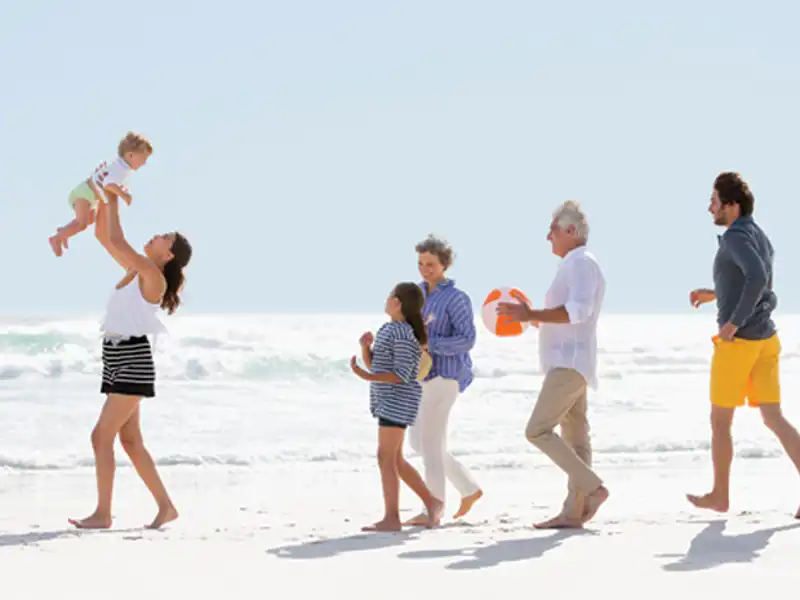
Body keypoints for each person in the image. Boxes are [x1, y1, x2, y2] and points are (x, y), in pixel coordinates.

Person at [68, 194, 192, 530]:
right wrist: (102, 199)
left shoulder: (153, 276)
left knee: (101, 436)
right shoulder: (132, 270)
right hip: (116, 357)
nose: (155, 235)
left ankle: (103, 514)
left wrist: (111, 193)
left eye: (164, 237)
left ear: (168, 255)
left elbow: (117, 239)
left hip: (132, 359)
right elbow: (103, 236)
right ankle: (166, 507)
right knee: (130, 441)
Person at [687, 172, 800, 519]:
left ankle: (720, 495)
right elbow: (754, 282)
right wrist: (715, 293)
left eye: (714, 201)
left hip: (740, 342)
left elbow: (757, 278)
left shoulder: (735, 237)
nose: (710, 208)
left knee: (720, 421)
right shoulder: (757, 234)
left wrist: (732, 322)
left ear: (732, 205)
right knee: (773, 417)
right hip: (766, 338)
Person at [497, 200, 609, 529]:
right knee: (576, 438)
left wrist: (530, 314)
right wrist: (532, 319)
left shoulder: (581, 263)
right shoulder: (575, 264)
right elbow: (568, 318)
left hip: (569, 362)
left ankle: (593, 488)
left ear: (571, 232)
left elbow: (579, 312)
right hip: (571, 360)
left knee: (537, 430)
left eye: (553, 230)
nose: (548, 237)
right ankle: (573, 513)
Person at [350, 282, 444, 531]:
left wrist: (367, 377)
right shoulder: (389, 329)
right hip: (388, 400)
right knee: (395, 459)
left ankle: (392, 518)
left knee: (386, 457)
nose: (387, 299)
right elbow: (379, 367)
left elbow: (402, 374)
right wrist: (365, 349)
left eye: (390, 296)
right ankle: (432, 502)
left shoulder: (401, 332)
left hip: (398, 400)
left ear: (398, 303)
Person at [405, 235, 483, 526]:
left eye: (431, 264)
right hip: (420, 378)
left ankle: (433, 510)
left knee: (430, 443)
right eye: (421, 263)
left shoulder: (457, 298)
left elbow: (467, 339)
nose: (425, 269)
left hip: (447, 376)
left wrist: (430, 343)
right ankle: (468, 488)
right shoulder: (416, 296)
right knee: (419, 442)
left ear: (445, 265)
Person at [49, 131, 152, 257]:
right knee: (81, 223)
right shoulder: (121, 170)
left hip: (88, 195)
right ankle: (57, 238)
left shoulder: (120, 167)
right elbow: (108, 184)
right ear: (130, 155)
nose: (144, 163)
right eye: (143, 159)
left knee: (89, 220)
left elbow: (116, 183)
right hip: (85, 194)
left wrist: (123, 191)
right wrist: (124, 196)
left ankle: (65, 232)